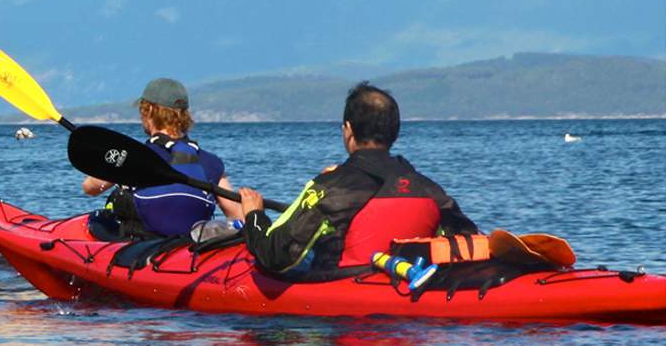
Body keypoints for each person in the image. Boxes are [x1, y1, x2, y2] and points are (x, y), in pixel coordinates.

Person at [238, 82, 478, 278]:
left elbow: (274, 256)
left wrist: (254, 216)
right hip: (404, 294)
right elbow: (467, 241)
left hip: (338, 308)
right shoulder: (429, 189)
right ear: (394, 132)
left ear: (348, 130)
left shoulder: (331, 187)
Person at [82, 77, 241, 238]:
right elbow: (238, 216)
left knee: (99, 219)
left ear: (149, 110)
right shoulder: (210, 162)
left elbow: (90, 188)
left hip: (144, 250)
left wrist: (115, 166)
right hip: (192, 249)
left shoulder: (133, 156)